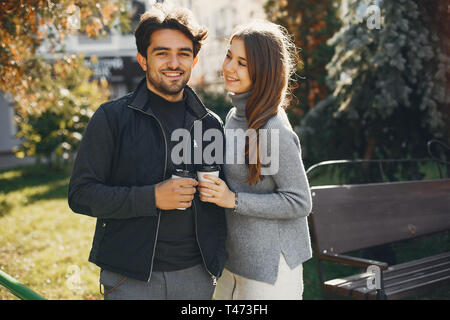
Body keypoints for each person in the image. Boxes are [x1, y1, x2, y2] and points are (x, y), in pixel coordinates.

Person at [68, 4, 227, 300]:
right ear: (143, 59)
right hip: (130, 278)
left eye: (183, 53)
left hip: (197, 276)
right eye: (162, 52)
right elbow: (81, 195)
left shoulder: (210, 124)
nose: (174, 62)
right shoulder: (111, 118)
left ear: (194, 59)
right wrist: (152, 197)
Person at [197, 21, 313, 300]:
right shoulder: (235, 116)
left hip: (271, 269)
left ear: (263, 70)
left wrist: (234, 200)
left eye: (243, 63)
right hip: (234, 263)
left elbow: (300, 201)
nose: (229, 67)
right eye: (229, 56)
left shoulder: (273, 128)